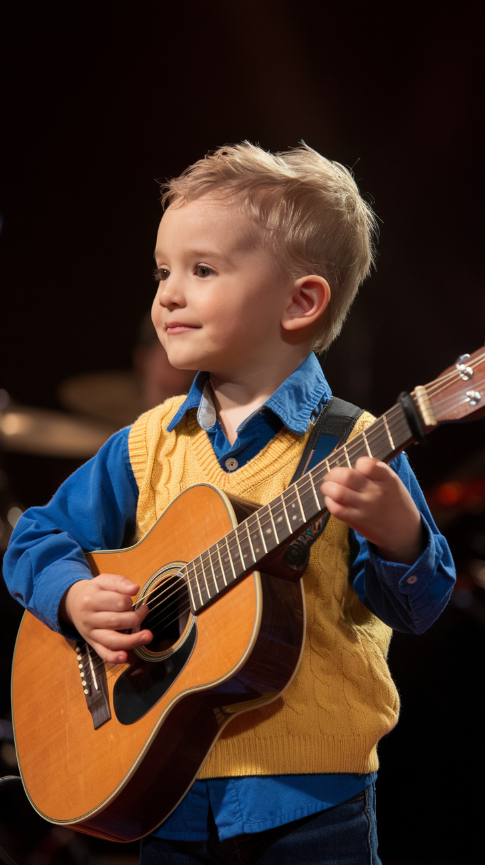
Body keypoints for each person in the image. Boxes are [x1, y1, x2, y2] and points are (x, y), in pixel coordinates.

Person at [3, 143, 455, 864]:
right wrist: (74, 595)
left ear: (300, 300)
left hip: (312, 796)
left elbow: (418, 606)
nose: (167, 294)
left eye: (201, 270)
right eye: (162, 271)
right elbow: (36, 535)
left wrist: (400, 535)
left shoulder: (356, 441)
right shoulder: (144, 444)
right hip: (165, 787)